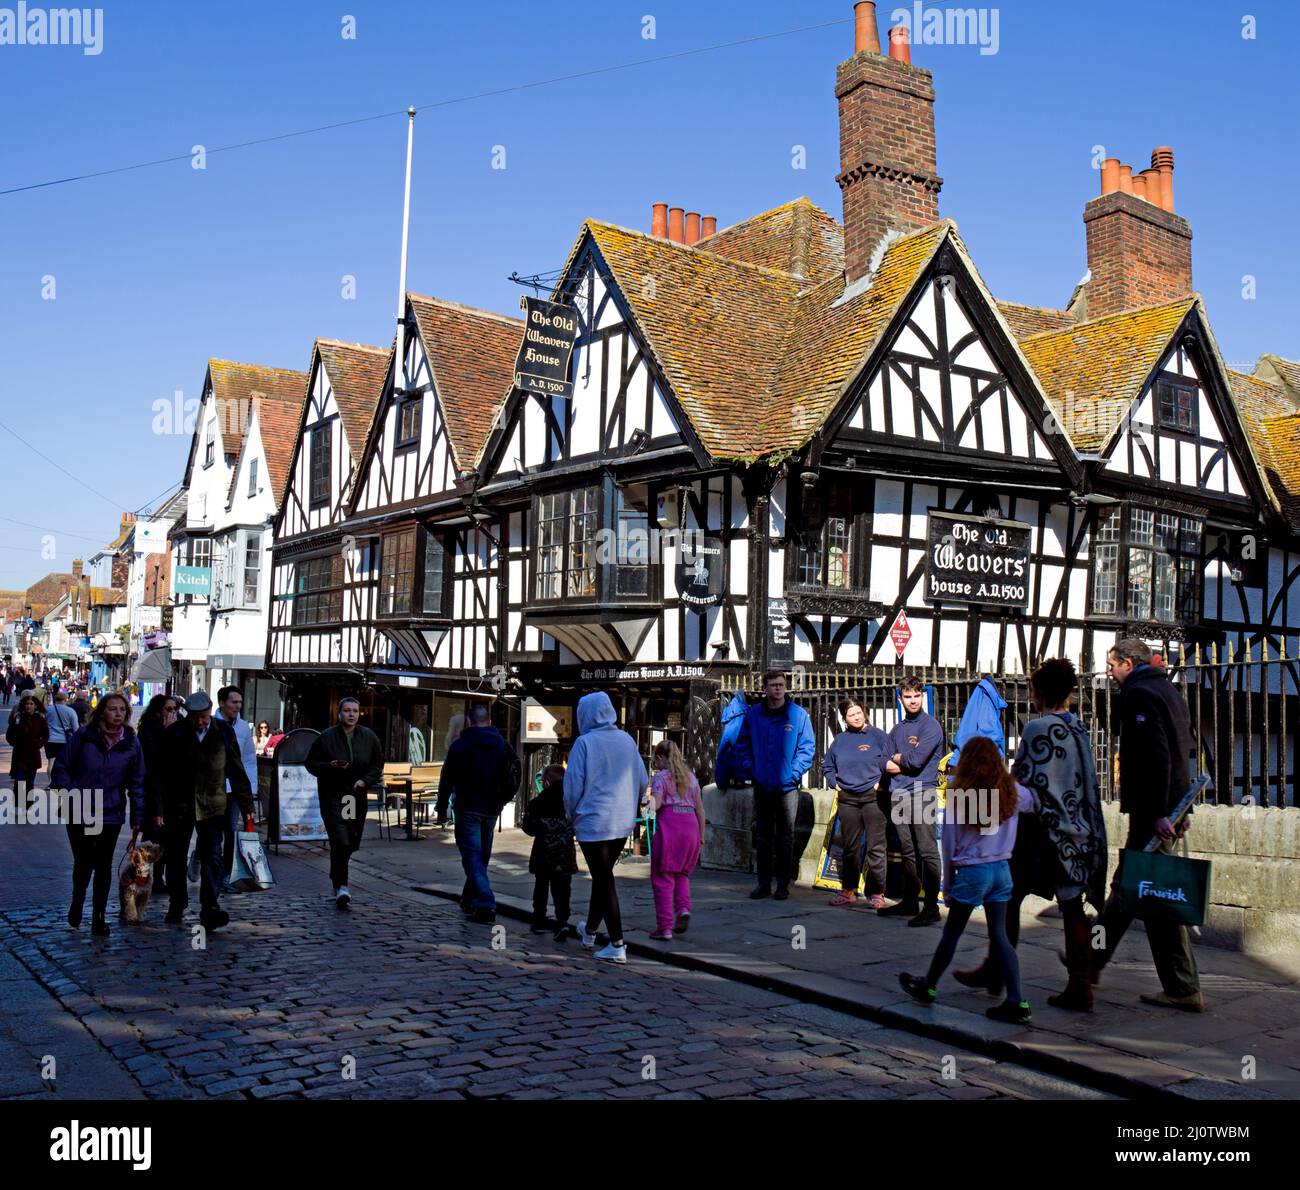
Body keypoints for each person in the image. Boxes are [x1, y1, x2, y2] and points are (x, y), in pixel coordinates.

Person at [956, 659, 1107, 1011]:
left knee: (1006, 896)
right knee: (1073, 907)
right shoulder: (1080, 729)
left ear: (1037, 693)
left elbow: (1023, 780)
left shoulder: (1037, 729)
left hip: (1044, 833)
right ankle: (1080, 985)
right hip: (1081, 832)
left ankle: (996, 970)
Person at [1090, 639, 1204, 1012]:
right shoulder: (1168, 690)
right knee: (1132, 891)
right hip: (1166, 810)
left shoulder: (1140, 694)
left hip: (1151, 815)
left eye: (1112, 665)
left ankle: (1183, 986)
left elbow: (1156, 758)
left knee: (1145, 894)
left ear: (1128, 663)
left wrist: (1160, 813)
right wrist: (1179, 810)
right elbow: (1184, 753)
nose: (1109, 672)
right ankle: (1089, 961)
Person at [898, 736, 1037, 1025]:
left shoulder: (961, 795)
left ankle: (928, 986)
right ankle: (1017, 1000)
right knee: (999, 935)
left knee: (952, 933)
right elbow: (1033, 803)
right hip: (1001, 869)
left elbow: (948, 846)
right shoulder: (1012, 792)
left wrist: (947, 886)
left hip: (973, 872)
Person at [51, 692, 146, 936]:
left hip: (110, 812)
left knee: (103, 865)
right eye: (113, 709)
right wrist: (69, 791)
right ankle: (78, 900)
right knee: (83, 862)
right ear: (102, 711)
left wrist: (138, 814)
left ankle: (98, 917)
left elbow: (137, 781)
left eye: (122, 710)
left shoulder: (131, 742)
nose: (118, 714)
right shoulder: (85, 736)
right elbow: (61, 766)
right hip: (79, 809)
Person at [158, 690, 254, 931]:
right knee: (176, 855)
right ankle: (177, 902)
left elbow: (235, 768)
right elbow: (160, 774)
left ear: (210, 712)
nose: (199, 722)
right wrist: (158, 808)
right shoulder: (175, 732)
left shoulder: (222, 731)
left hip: (213, 804)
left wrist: (247, 805)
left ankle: (210, 906)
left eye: (203, 717)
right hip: (180, 805)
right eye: (194, 717)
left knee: (213, 855)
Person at [563, 691, 648, 963]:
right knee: (603, 877)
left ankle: (617, 943)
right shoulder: (626, 740)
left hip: (593, 821)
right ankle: (588, 932)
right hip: (621, 821)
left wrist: (569, 813)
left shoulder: (584, 743)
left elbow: (573, 785)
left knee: (603, 879)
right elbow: (643, 779)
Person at [436, 703, 521, 925]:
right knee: (481, 855)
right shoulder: (502, 745)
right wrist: (504, 799)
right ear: (489, 722)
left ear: (469, 722)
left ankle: (485, 901)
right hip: (492, 808)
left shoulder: (460, 746)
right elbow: (515, 772)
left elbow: (447, 779)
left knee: (473, 856)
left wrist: (441, 807)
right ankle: (469, 898)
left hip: (467, 807)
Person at [734, 670, 815, 901]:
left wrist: (793, 773)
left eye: (781, 685)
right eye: (773, 685)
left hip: (787, 788)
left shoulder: (798, 715)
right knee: (763, 836)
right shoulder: (754, 714)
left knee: (786, 837)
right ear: (765, 688)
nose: (777, 689)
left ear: (786, 687)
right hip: (762, 786)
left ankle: (782, 885)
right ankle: (763, 884)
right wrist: (753, 770)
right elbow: (742, 745)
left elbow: (807, 749)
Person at [304, 697, 384, 909]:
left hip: (353, 795)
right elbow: (311, 763)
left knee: (350, 840)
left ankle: (336, 873)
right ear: (339, 714)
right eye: (347, 711)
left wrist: (364, 781)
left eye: (355, 711)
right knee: (340, 839)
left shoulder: (369, 737)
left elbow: (377, 765)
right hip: (333, 795)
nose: (351, 714)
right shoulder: (326, 737)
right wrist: (329, 766)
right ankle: (341, 886)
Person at [880, 676, 945, 926]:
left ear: (923, 697)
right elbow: (881, 761)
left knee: (927, 850)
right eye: (908, 696)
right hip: (899, 793)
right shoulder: (897, 729)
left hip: (923, 793)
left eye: (917, 696)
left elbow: (916, 762)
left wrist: (897, 759)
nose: (913, 700)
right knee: (907, 851)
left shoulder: (931, 727)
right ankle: (909, 901)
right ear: (901, 699)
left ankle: (930, 907)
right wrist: (900, 760)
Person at [822, 697, 892, 908]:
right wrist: (835, 784)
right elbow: (827, 767)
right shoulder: (839, 741)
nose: (856, 717)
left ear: (864, 712)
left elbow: (889, 762)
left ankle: (877, 892)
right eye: (851, 715)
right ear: (845, 719)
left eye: (859, 712)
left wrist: (880, 783)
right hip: (848, 800)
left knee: (876, 847)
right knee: (850, 847)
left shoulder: (879, 736)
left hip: (873, 798)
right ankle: (848, 890)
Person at [646, 739, 705, 941]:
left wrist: (646, 800)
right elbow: (700, 809)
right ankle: (683, 910)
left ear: (661, 758)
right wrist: (702, 836)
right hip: (691, 829)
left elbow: (657, 804)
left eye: (656, 760)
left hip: (670, 829)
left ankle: (664, 928)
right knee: (681, 875)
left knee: (662, 878)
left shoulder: (661, 778)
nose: (657, 764)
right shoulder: (691, 778)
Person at [521, 763, 578, 938]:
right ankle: (562, 920)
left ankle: (539, 919)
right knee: (563, 888)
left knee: (541, 885)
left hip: (544, 851)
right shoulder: (571, 801)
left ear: (545, 782)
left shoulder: (538, 802)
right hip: (565, 851)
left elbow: (528, 828)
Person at [216, 687, 259, 890]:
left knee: (231, 831)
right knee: (211, 832)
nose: (238, 706)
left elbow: (249, 759)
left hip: (234, 788)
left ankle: (226, 875)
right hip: (212, 788)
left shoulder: (242, 727)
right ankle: (200, 856)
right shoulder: (211, 723)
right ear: (222, 703)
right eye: (233, 702)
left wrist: (250, 788)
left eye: (240, 702)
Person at [136, 695, 179, 895]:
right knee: (153, 836)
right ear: (158, 711)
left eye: (174, 709)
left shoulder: (175, 730)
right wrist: (167, 731)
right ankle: (142, 874)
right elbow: (155, 762)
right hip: (152, 792)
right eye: (168, 709)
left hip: (170, 792)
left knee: (165, 839)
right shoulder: (149, 731)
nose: (172, 713)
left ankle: (159, 877)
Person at [7, 690, 49, 805]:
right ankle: (18, 804)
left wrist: (38, 744)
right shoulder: (18, 717)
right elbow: (9, 735)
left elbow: (45, 736)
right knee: (19, 780)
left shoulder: (40, 719)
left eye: (31, 704)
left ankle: (28, 805)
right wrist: (16, 743)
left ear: (35, 706)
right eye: (27, 704)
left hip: (33, 754)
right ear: (23, 705)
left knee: (30, 782)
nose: (29, 706)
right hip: (19, 754)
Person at [45, 689, 81, 772]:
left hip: (50, 739)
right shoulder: (71, 711)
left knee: (51, 762)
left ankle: (51, 781)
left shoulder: (48, 710)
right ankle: (61, 781)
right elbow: (76, 728)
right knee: (64, 762)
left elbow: (44, 724)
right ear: (65, 700)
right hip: (64, 740)